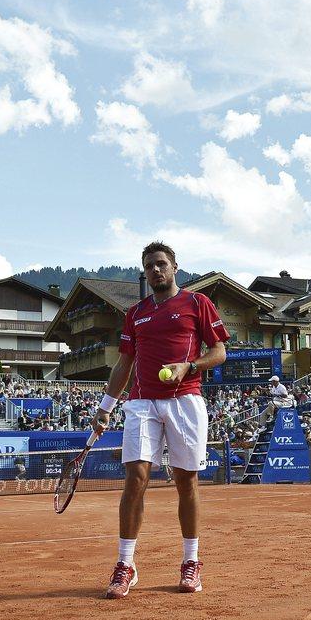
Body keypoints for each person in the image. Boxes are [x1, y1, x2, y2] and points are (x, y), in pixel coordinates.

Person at [97, 241, 229, 599]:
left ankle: (191, 560)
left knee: (186, 481)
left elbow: (219, 352)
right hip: (141, 403)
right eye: (149, 266)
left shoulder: (196, 303)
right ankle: (126, 564)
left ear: (174, 268)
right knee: (135, 477)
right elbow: (124, 364)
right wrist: (106, 407)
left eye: (161, 264)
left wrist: (190, 366)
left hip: (185, 400)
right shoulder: (135, 313)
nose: (155, 270)